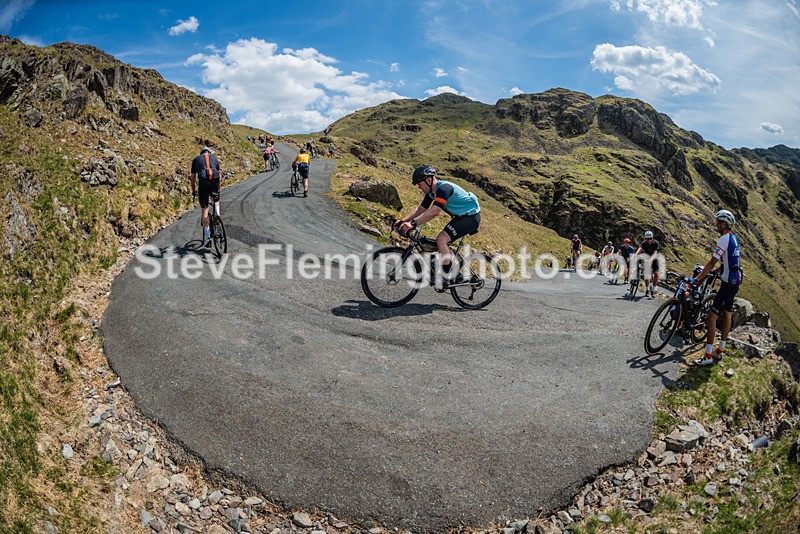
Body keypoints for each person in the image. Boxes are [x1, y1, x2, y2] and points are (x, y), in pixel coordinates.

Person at [394, 165, 481, 285]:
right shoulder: (431, 193)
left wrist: (413, 224)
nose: (419, 188)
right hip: (460, 217)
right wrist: (403, 221)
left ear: (429, 180)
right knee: (439, 242)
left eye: (420, 184)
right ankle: (449, 263)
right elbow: (420, 209)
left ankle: (449, 275)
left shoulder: (444, 189)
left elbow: (434, 211)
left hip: (470, 218)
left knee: (441, 239)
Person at [692, 209, 743, 366]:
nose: (716, 225)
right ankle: (719, 351)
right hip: (736, 282)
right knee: (727, 314)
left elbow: (711, 262)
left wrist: (697, 279)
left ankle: (707, 356)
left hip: (727, 284)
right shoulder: (734, 239)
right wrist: (714, 272)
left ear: (724, 224)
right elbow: (728, 263)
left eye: (718, 222)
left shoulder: (723, 239)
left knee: (712, 317)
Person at [189, 146, 222, 247]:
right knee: (215, 200)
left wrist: (194, 190)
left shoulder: (196, 160)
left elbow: (193, 177)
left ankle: (207, 238)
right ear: (209, 152)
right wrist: (219, 189)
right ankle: (217, 217)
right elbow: (219, 175)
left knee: (205, 209)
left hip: (203, 182)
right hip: (215, 181)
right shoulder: (215, 158)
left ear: (201, 153)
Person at [634, 230, 661, 298]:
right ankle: (647, 289)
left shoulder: (655, 243)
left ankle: (653, 289)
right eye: (647, 239)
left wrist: (651, 259)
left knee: (656, 274)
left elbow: (655, 252)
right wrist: (636, 254)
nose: (649, 240)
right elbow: (640, 248)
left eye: (650, 239)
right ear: (645, 239)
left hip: (654, 258)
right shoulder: (644, 243)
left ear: (652, 238)